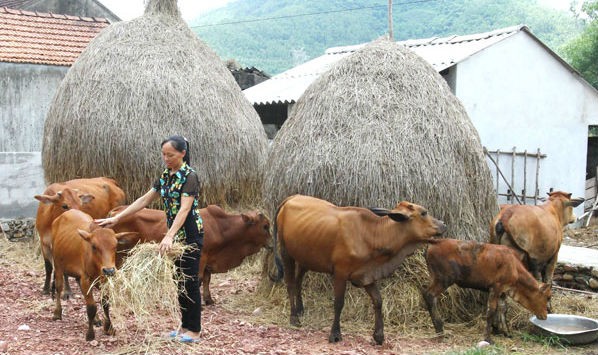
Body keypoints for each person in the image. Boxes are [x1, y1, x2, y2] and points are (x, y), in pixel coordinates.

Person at [96, 135, 203, 343]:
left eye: (170, 155)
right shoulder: (165, 176)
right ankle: (184, 327)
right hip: (174, 236)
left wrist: (169, 235)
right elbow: (144, 200)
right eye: (163, 155)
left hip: (189, 235)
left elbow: (185, 209)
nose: (166, 158)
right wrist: (117, 218)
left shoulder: (190, 176)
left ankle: (195, 331)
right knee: (178, 282)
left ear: (182, 153)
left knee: (189, 282)